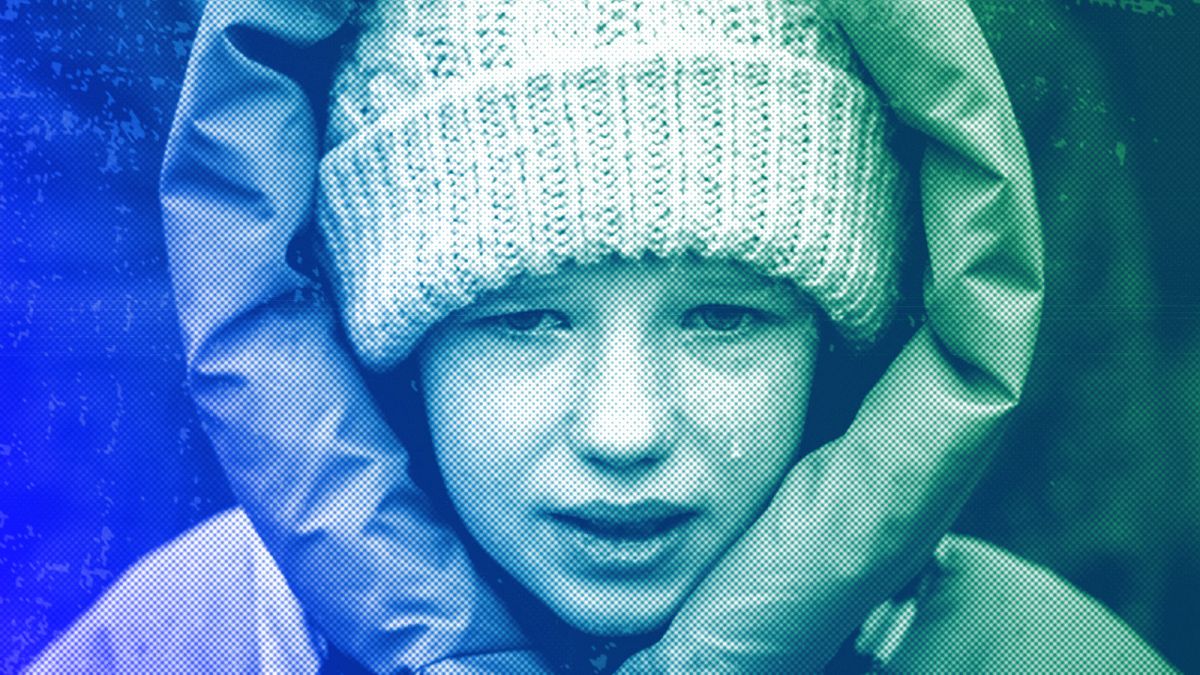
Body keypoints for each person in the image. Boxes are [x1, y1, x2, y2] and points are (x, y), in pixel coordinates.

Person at [27, 0, 1177, 672]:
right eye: (520, 320)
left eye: (725, 316)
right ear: (392, 347)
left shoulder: (1035, 655)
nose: (623, 428)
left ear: (835, 345)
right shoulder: (193, 642)